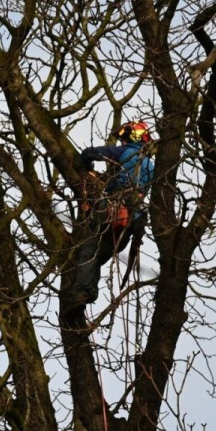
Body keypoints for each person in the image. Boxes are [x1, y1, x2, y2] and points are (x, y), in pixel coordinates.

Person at [65, 120, 155, 312]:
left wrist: (86, 166)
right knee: (98, 256)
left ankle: (80, 295)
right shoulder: (151, 166)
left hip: (111, 213)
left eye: (123, 139)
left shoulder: (123, 152)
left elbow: (90, 153)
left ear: (131, 137)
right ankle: (86, 293)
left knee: (88, 252)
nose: (121, 142)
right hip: (131, 223)